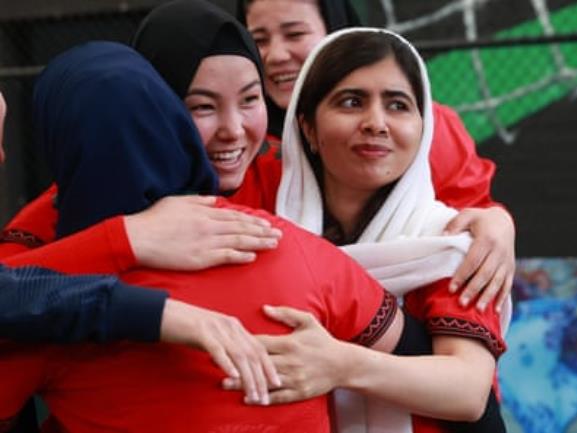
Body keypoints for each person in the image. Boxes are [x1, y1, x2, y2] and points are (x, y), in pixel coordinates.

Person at [0, 41, 403, 433]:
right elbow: (402, 342)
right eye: (204, 106)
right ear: (175, 121)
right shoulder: (282, 240)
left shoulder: (46, 310)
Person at [225, 28, 507, 433]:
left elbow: (466, 390)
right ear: (307, 128)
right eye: (352, 102)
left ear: (422, 128)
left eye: (397, 105)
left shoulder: (449, 244)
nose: (376, 123)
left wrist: (339, 365)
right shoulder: (269, 236)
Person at [236, 0, 516, 312]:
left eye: (295, 34)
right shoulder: (240, 140)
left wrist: (498, 222)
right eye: (258, 40)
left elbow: (468, 219)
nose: (275, 55)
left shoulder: (432, 130)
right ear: (308, 130)